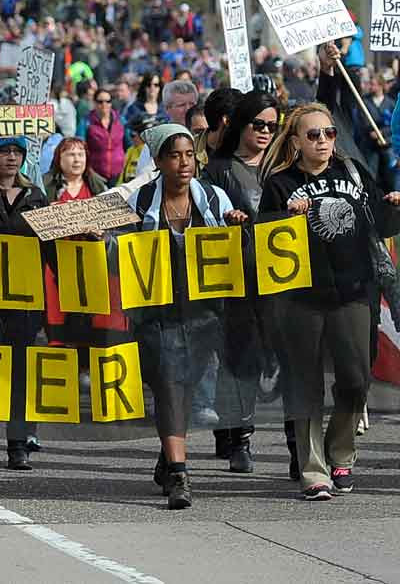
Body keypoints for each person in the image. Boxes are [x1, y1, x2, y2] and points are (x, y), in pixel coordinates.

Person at [259, 102, 400, 500]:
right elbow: (261, 239)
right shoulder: (280, 183)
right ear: (296, 141)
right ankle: (313, 470)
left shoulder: (352, 172)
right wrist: (285, 216)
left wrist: (393, 206)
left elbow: (379, 226)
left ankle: (342, 451)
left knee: (355, 380)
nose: (323, 141)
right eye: (314, 135)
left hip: (353, 291)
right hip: (301, 299)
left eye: (329, 133)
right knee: (304, 384)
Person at [124, 123, 246, 510]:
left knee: (187, 385)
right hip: (155, 311)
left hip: (203, 310)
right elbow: (117, 255)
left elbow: (241, 254)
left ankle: (167, 453)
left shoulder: (215, 198)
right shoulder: (140, 201)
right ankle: (180, 474)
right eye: (174, 156)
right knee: (167, 383)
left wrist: (237, 229)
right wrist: (102, 240)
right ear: (159, 161)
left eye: (189, 155)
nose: (184, 163)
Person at [202, 90, 280, 474]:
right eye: (259, 124)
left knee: (276, 358)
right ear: (242, 125)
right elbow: (199, 215)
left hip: (281, 278)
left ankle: (295, 449)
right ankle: (239, 436)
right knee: (239, 358)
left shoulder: (283, 169)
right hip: (234, 279)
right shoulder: (217, 170)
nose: (266, 132)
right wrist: (222, 218)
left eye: (272, 126)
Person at [0, 136, 47, 470]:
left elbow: (51, 242)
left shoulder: (36, 196)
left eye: (17, 152)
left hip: (25, 292)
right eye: (4, 152)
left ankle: (18, 444)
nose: (11, 158)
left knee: (20, 369)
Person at [85, 88, 125, 183]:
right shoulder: (86, 122)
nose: (104, 104)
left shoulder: (120, 120)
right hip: (95, 175)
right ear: (94, 103)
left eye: (108, 101)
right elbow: (80, 145)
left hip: (118, 175)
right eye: (100, 101)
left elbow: (130, 143)